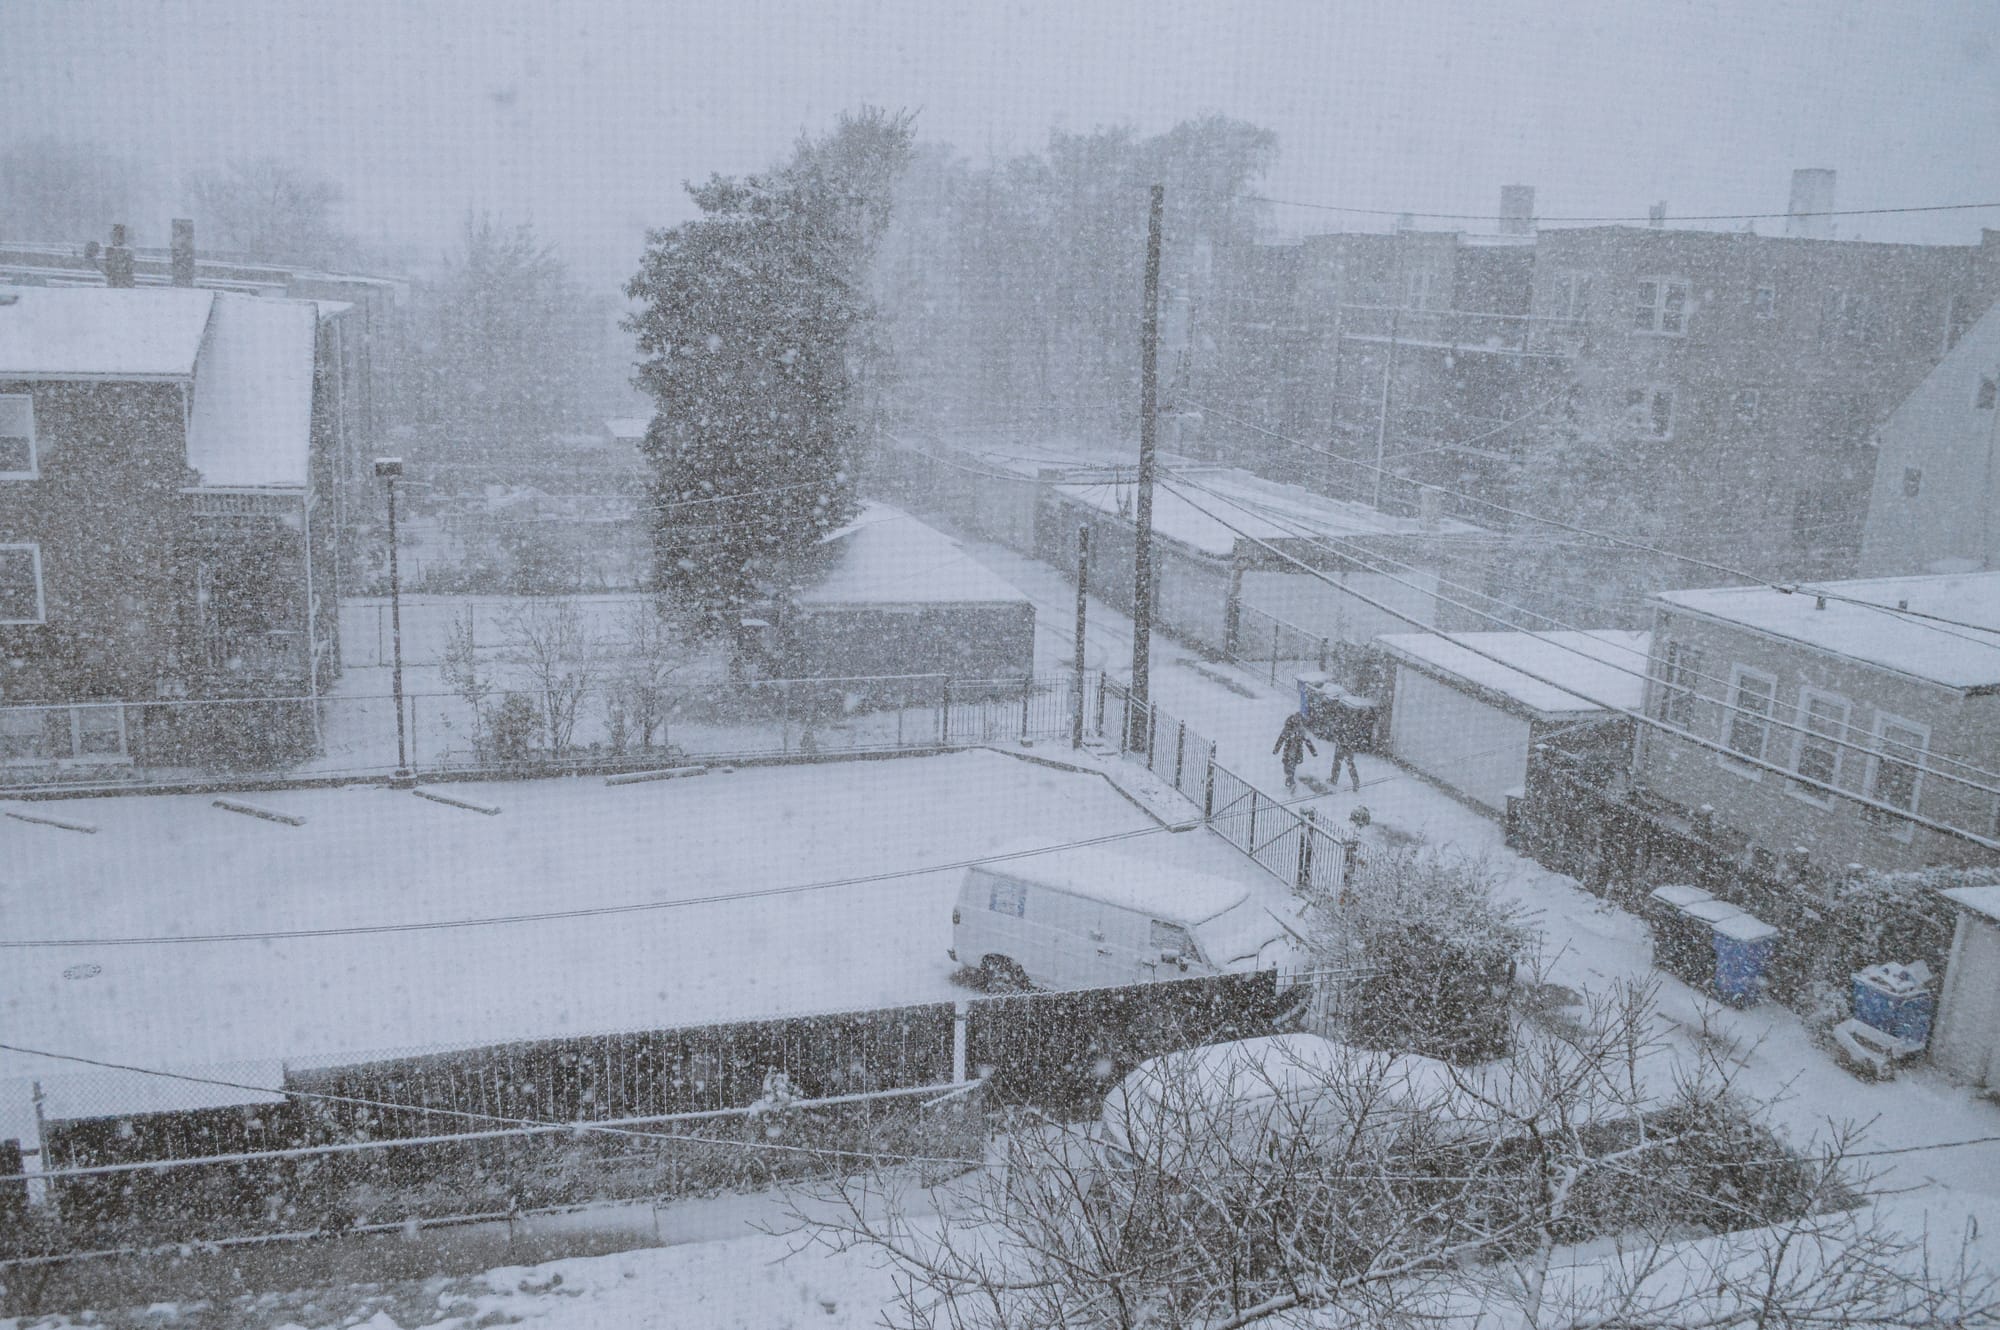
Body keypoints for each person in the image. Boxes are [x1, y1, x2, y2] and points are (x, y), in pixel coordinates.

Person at [1272, 711, 1316, 793]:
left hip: (1296, 751)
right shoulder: (1288, 728)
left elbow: (1307, 740)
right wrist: (1276, 749)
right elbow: (1281, 739)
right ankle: (1289, 780)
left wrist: (1313, 751)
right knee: (1287, 767)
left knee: (1291, 766)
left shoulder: (1300, 729)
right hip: (1289, 751)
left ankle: (1290, 781)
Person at [1329, 702, 1367, 793]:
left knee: (1339, 763)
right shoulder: (1348, 720)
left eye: (1338, 712)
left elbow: (1338, 732)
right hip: (1347, 746)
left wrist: (1338, 736)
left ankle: (1335, 779)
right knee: (1347, 764)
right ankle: (1354, 781)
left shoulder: (1343, 721)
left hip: (1343, 745)